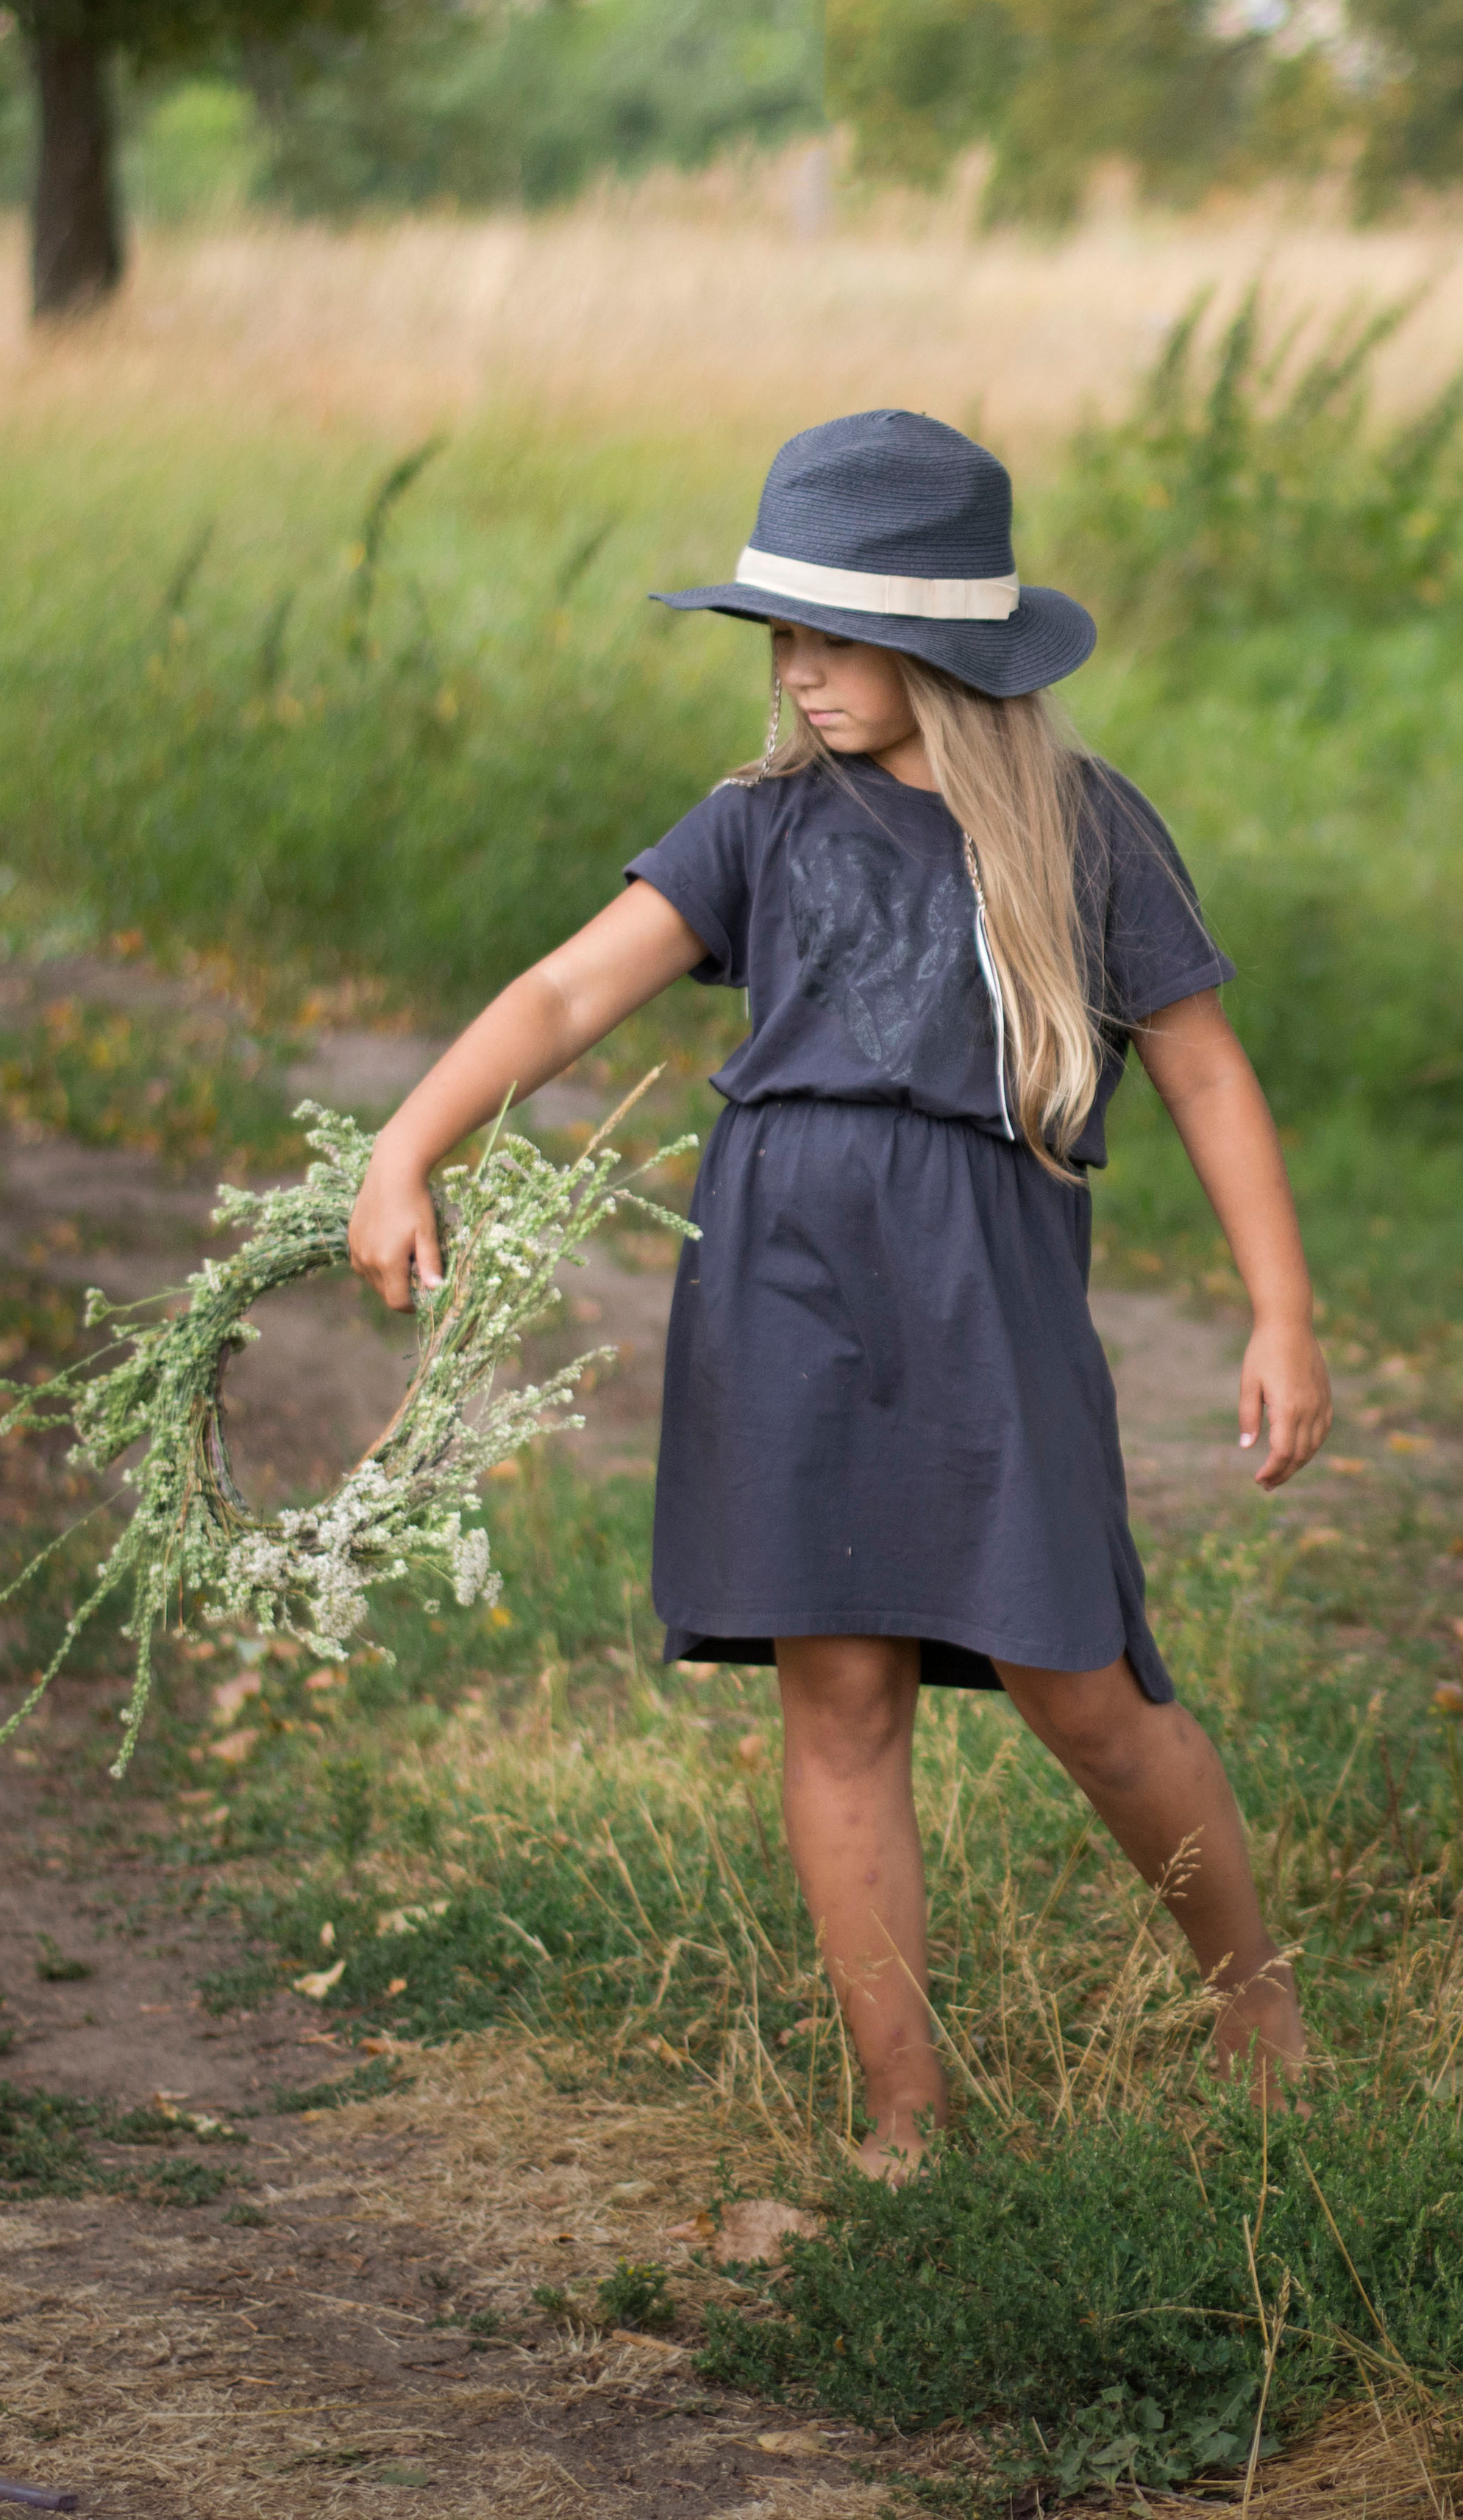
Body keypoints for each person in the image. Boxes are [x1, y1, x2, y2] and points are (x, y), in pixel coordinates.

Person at [349, 410, 1332, 2176]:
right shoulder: (756, 826)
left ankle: (1256, 2007)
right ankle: (905, 2117)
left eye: (830, 636)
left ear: (939, 644)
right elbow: (570, 994)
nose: (794, 672)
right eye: (775, 636)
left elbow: (1197, 1070)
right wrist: (403, 1142)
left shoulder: (1079, 831)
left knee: (1082, 1688)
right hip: (783, 1293)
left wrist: (1280, 1311)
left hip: (984, 1294)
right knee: (840, 1696)